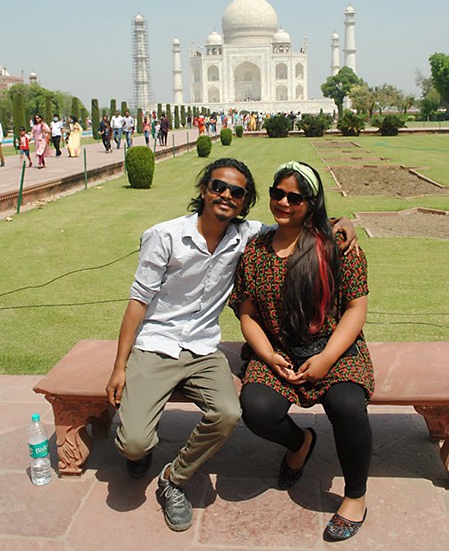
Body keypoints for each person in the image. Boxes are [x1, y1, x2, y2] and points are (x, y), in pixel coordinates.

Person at [106, 157, 357, 533]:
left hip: (202, 348)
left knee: (227, 413)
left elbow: (297, 221)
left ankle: (174, 478)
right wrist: (119, 367)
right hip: (158, 343)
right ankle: (139, 448)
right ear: (204, 189)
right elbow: (138, 303)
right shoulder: (165, 236)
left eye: (236, 192)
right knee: (133, 444)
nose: (226, 195)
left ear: (244, 201)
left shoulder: (246, 235)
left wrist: (344, 222)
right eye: (218, 187)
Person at [229, 160, 374, 542]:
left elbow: (356, 309)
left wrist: (326, 358)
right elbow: (247, 313)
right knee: (258, 410)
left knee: (347, 406)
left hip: (334, 350)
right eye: (278, 193)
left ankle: (355, 496)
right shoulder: (256, 250)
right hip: (278, 351)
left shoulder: (336, 245)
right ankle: (301, 443)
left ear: (311, 202)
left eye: (295, 197)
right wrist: (267, 355)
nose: (284, 203)